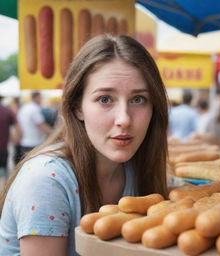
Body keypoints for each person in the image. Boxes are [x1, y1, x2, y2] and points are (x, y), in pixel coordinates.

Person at [0, 35, 169, 256]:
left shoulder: (137, 168)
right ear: (77, 107)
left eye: (138, 99)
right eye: (105, 99)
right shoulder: (46, 180)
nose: (124, 119)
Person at [16, 91, 52, 162]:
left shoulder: (24, 108)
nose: (41, 100)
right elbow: (42, 126)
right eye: (41, 98)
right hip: (34, 143)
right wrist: (54, 134)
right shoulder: (34, 109)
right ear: (37, 98)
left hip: (24, 142)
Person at [0, 96, 21, 186]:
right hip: (3, 148)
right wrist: (15, 141)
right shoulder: (7, 111)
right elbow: (18, 128)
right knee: (3, 172)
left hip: (3, 148)